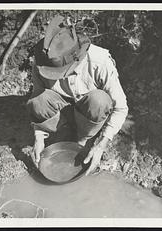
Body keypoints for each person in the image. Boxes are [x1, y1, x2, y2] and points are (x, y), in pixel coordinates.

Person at [26, 15, 128, 175]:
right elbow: (37, 98)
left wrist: (101, 144)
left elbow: (121, 108)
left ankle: (82, 140)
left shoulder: (99, 61)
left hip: (90, 112)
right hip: (62, 110)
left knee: (99, 100)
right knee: (37, 101)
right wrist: (38, 137)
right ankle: (63, 135)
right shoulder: (43, 62)